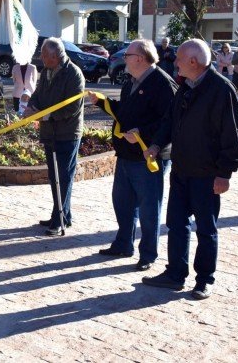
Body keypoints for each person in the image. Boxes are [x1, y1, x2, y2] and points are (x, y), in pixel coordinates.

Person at [142, 39, 238, 300]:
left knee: (206, 229)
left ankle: (204, 280)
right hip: (182, 170)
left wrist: (225, 173)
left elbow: (233, 135)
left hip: (207, 175)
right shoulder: (185, 86)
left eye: (178, 59)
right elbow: (169, 121)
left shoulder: (222, 90)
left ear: (193, 62)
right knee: (176, 224)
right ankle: (175, 274)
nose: (174, 62)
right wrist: (155, 144)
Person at [88, 40, 177, 270]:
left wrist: (143, 134)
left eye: (127, 55)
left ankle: (148, 254)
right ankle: (123, 243)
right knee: (122, 202)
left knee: (149, 208)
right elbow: (124, 112)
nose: (123, 58)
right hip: (126, 154)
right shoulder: (129, 82)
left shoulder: (163, 83)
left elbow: (170, 122)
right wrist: (103, 102)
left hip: (149, 156)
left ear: (140, 58)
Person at [23, 37, 84, 237]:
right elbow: (38, 95)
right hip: (49, 132)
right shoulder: (46, 71)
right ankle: (61, 214)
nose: (41, 58)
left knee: (63, 177)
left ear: (54, 56)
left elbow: (72, 108)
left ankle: (59, 221)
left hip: (67, 133)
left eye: (43, 55)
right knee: (54, 176)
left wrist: (46, 115)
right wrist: (31, 106)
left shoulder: (74, 74)